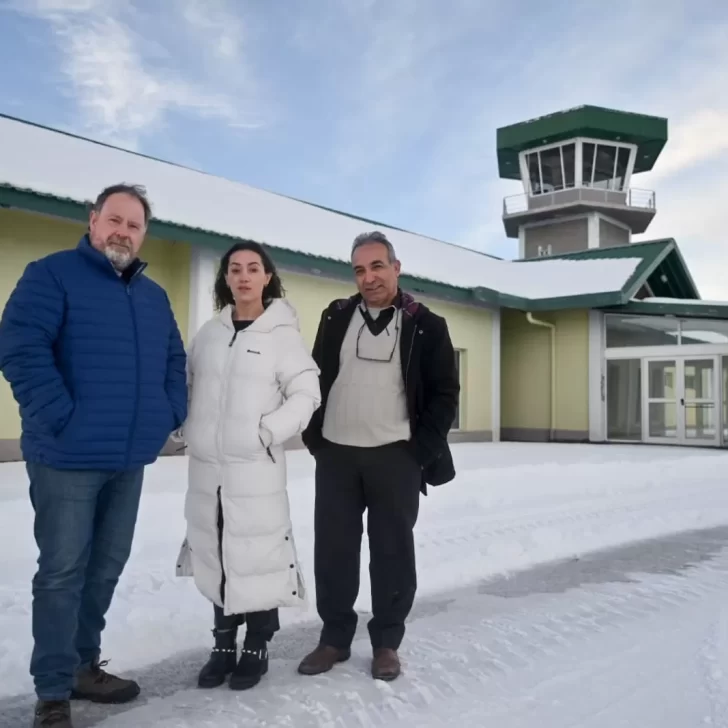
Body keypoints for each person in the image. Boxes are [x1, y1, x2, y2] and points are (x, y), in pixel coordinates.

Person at [0, 184, 188, 728]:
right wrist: (62, 416)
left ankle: (83, 665)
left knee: (105, 567)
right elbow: (19, 347)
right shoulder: (51, 274)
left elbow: (173, 360)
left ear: (143, 234)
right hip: (65, 456)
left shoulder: (152, 296)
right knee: (62, 571)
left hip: (128, 458)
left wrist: (165, 414)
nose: (122, 232)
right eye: (114, 219)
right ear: (93, 220)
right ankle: (53, 691)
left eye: (133, 225)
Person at [298, 231, 460, 682]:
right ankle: (334, 638)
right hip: (337, 456)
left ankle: (387, 642)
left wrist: (418, 452)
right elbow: (315, 377)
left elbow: (446, 394)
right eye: (359, 270)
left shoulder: (426, 324)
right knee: (333, 551)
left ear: (396, 267)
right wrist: (316, 438)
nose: (368, 278)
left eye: (376, 267)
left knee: (391, 552)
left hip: (394, 458)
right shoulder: (335, 316)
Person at [176, 240, 320, 692]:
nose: (243, 277)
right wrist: (188, 429)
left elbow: (307, 395)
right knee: (216, 550)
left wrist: (265, 432)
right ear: (225, 279)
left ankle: (257, 642)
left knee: (258, 555)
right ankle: (222, 641)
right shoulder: (209, 334)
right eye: (234, 269)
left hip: (255, 470)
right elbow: (188, 386)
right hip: (206, 472)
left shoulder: (282, 334)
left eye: (252, 269)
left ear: (267, 277)